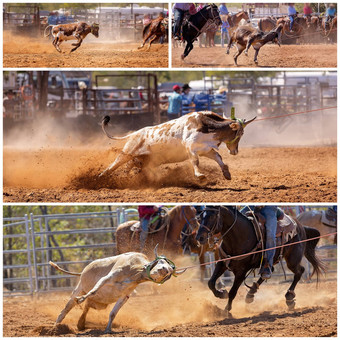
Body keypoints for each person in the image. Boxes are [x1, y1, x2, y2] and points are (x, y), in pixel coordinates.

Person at [240, 206, 280, 279]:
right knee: (236, 218)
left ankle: (267, 265)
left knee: (270, 235)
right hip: (251, 206)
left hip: (269, 208)